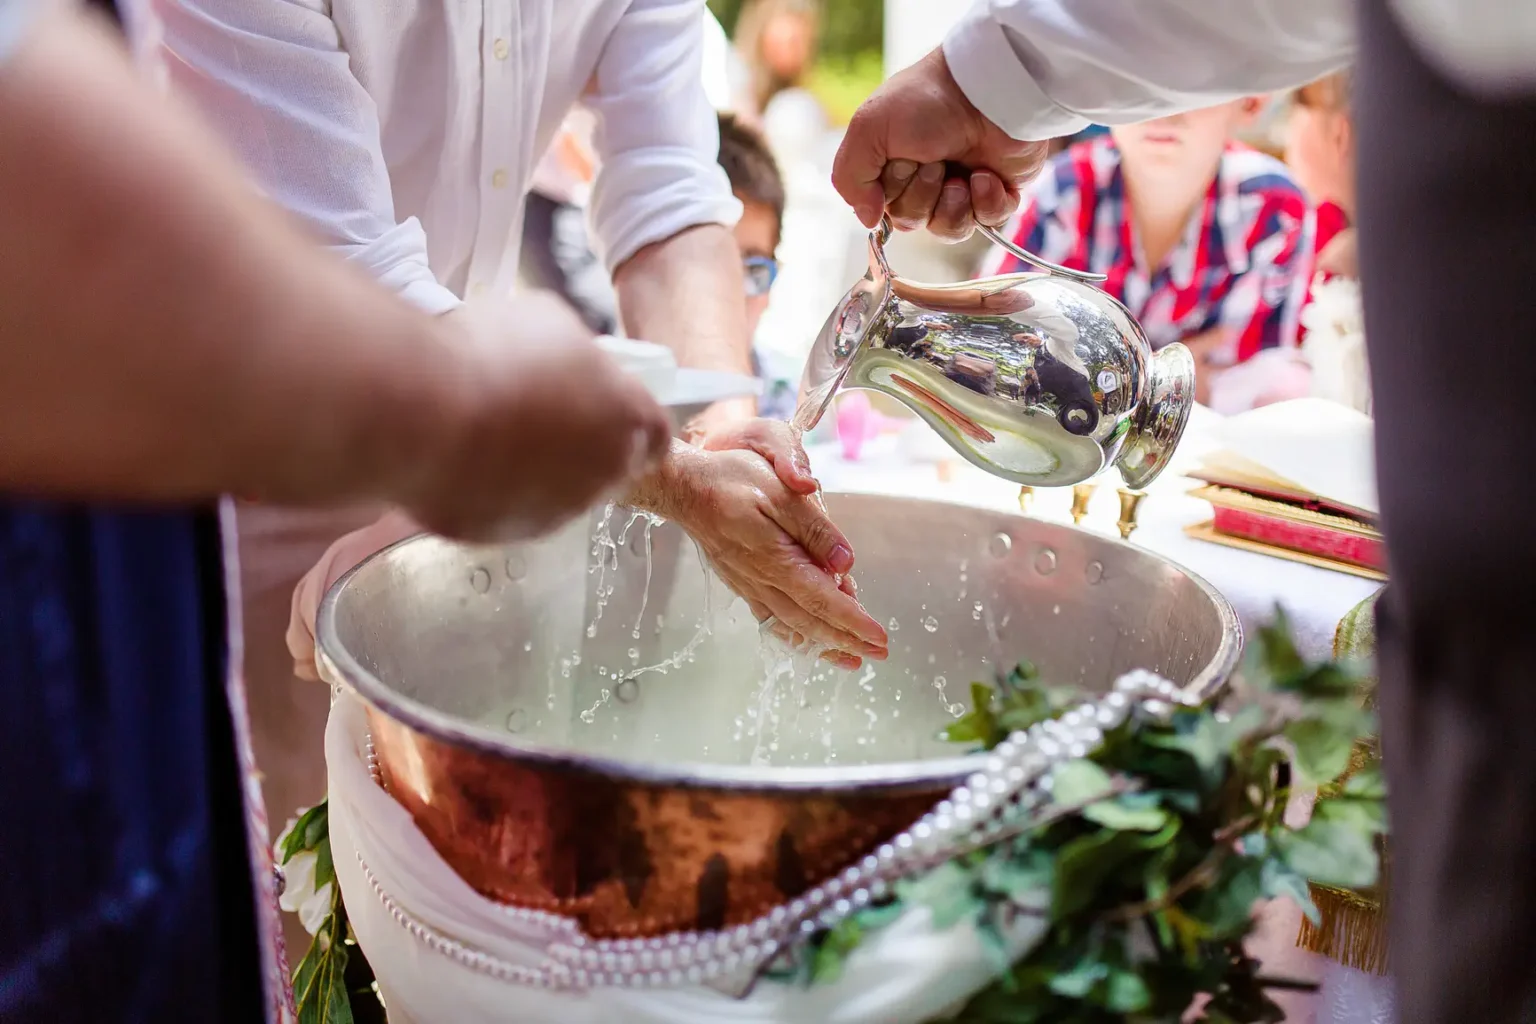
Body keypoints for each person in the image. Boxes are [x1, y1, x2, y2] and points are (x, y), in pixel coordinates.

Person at [835, 3, 1536, 1023]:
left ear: (1244, 110)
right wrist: (990, 81)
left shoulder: (1270, 203)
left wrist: (988, 79)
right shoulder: (1069, 190)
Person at [0, 1, 674, 1018]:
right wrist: (467, 417)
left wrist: (706, 432)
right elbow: (39, 195)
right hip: (200, 514)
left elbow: (669, 175)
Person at [154, 0, 886, 912]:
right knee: (272, 889)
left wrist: (729, 438)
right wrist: (673, 477)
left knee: (458, 883)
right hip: (217, 465)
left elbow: (667, 190)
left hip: (480, 450)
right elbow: (337, 265)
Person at [981, 99, 1313, 410]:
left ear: (1250, 101)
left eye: (1195, 87)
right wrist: (1166, 380)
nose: (1163, 108)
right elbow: (992, 351)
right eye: (1137, 79)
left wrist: (1092, 375)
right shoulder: (1062, 191)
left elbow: (1260, 389)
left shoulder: (1275, 212)